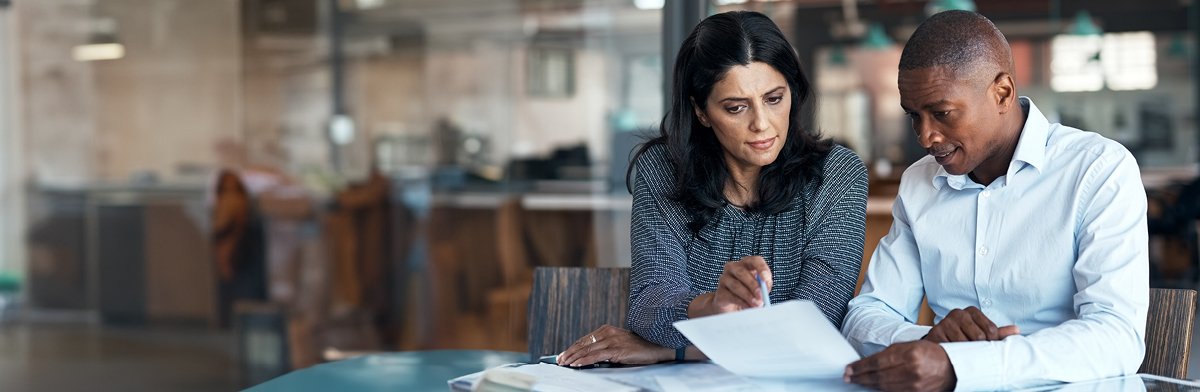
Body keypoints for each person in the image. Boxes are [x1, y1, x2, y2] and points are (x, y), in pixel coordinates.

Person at [841, 10, 1148, 391]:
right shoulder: (920, 182)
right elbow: (866, 316)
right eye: (914, 116)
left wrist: (963, 366)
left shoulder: (1098, 170)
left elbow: (1116, 338)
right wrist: (926, 344)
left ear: (1001, 93)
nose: (925, 136)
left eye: (941, 113)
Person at [557, 10, 868, 367]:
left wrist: (668, 350)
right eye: (736, 107)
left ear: (793, 93)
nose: (762, 124)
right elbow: (647, 307)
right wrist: (714, 304)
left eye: (774, 99)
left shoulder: (836, 174)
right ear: (701, 111)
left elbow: (814, 326)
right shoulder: (663, 169)